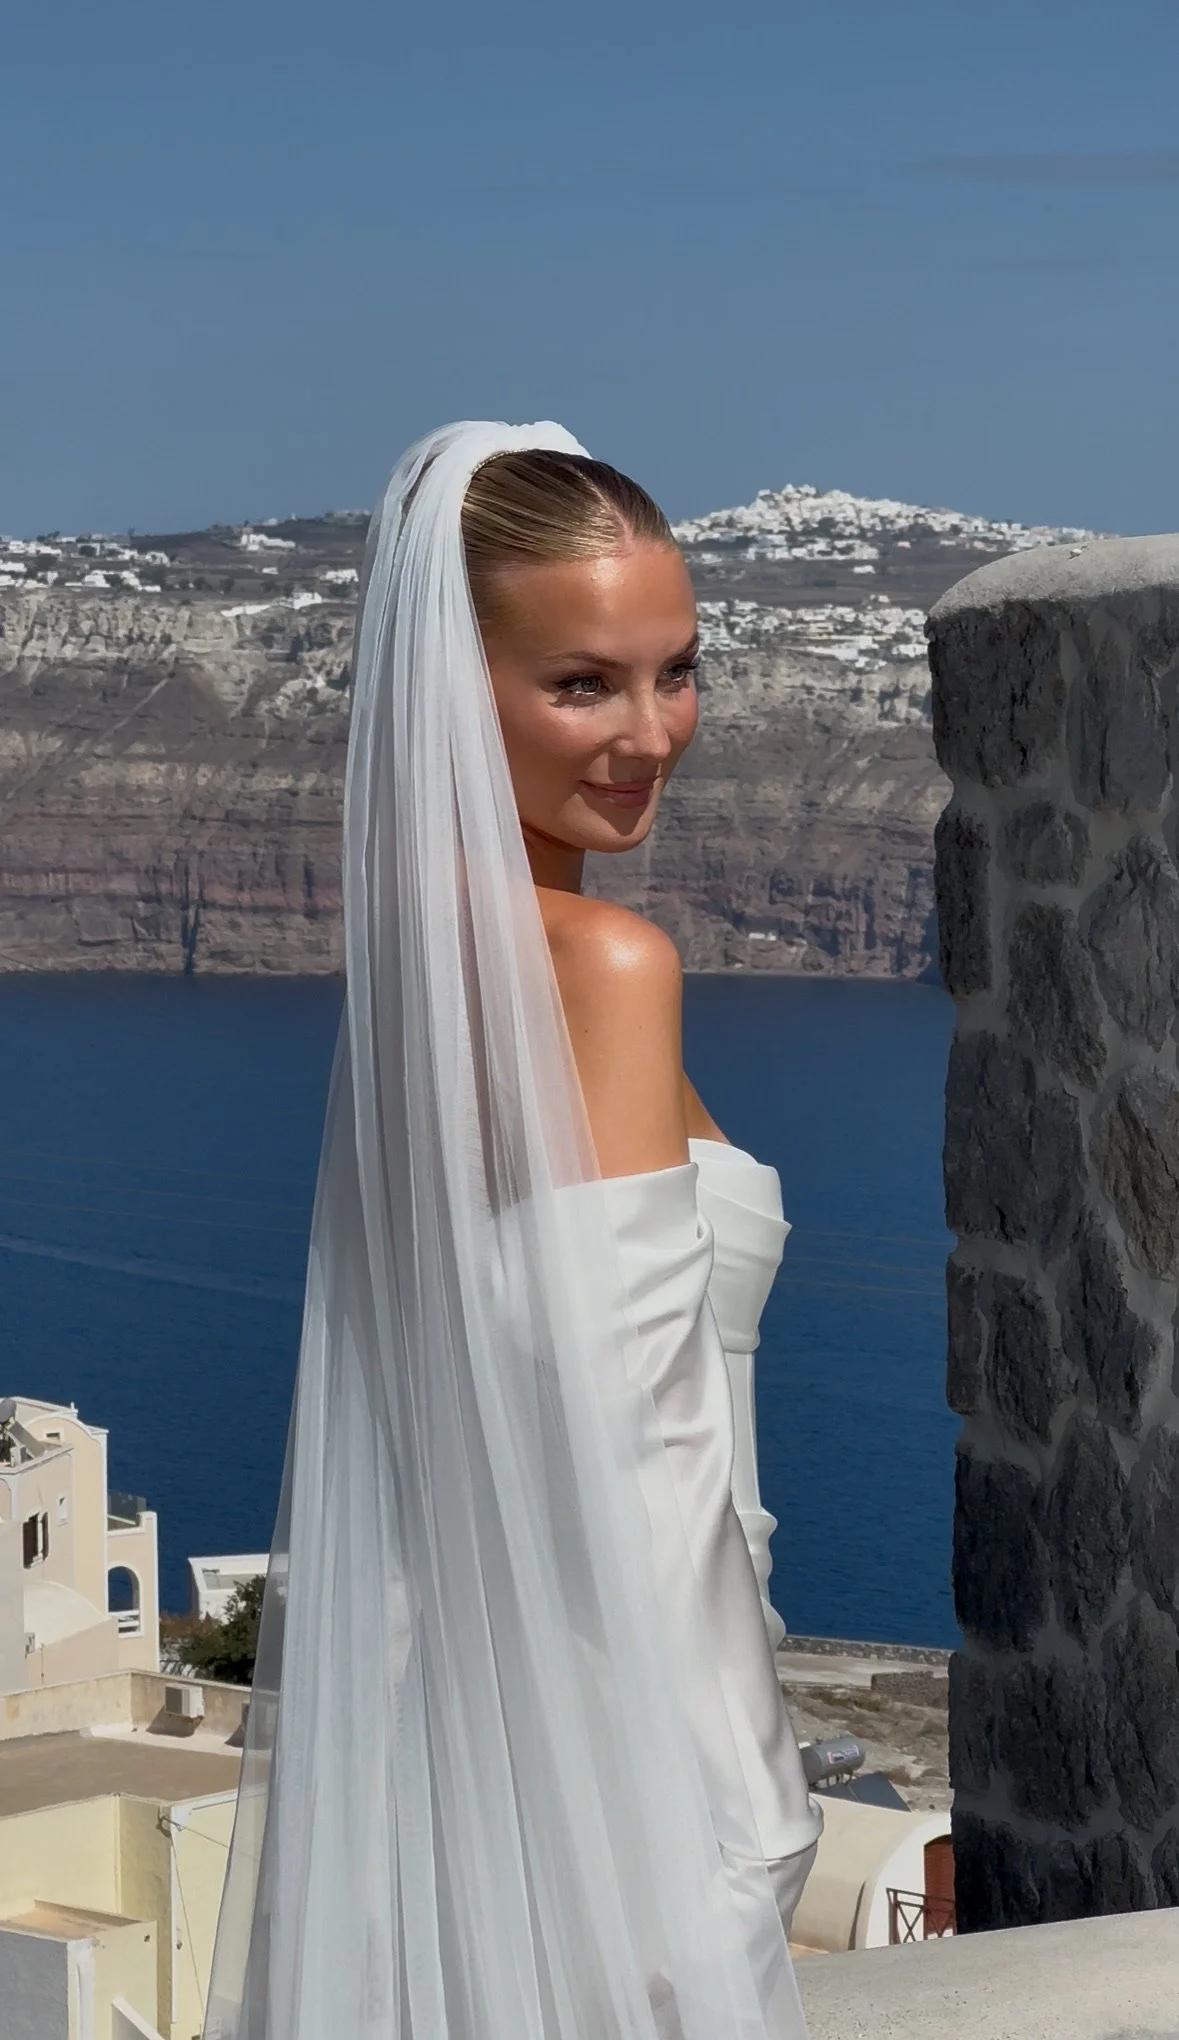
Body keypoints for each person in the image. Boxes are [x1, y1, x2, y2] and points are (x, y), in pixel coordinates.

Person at [203, 421, 820, 2040]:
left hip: (469, 1763)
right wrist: (750, 1810)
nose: (649, 734)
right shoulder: (600, 968)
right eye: (580, 686)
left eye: (673, 671)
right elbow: (638, 1461)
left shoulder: (425, 972)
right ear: (450, 688)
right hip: (626, 1794)